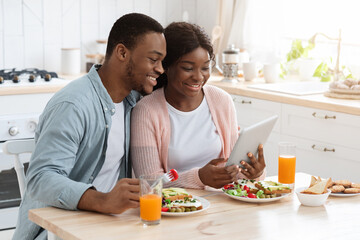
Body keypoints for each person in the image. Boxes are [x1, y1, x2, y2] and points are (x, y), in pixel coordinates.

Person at [13, 13, 166, 240]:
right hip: (60, 231)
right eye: (153, 60)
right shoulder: (73, 105)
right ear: (122, 53)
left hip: (111, 227)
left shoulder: (133, 101)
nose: (160, 69)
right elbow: (41, 178)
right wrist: (103, 200)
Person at [131, 22, 266, 189]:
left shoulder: (221, 101)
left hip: (220, 205)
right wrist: (199, 178)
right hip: (174, 209)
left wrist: (253, 172)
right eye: (188, 68)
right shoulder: (146, 111)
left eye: (205, 68)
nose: (198, 77)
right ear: (166, 66)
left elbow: (234, 171)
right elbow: (149, 182)